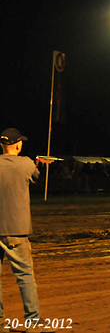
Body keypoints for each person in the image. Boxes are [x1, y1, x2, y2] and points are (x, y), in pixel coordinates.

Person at [0, 128, 52, 332]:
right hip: (16, 229)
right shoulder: (26, 164)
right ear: (18, 144)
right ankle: (33, 320)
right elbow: (36, 177)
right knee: (24, 276)